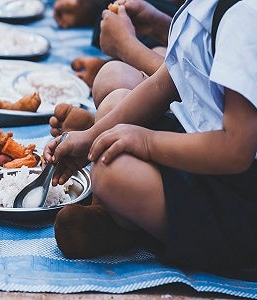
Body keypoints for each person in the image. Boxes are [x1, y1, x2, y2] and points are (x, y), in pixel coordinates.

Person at [44, 0, 257, 276]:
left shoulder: (244, 18)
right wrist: (90, 136)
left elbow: (236, 150)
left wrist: (146, 142)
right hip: (200, 142)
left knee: (112, 170)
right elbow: (164, 83)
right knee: (114, 111)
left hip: (240, 192)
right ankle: (125, 219)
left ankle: (125, 225)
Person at [50, 0, 174, 137]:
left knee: (115, 98)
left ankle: (98, 129)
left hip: (191, 125)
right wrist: (158, 25)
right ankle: (103, 125)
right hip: (177, 78)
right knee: (112, 75)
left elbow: (188, 82)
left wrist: (126, 47)